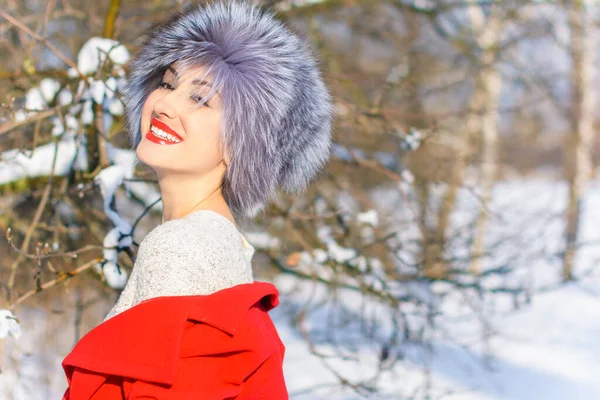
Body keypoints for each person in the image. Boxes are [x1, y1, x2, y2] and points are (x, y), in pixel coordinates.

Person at [60, 0, 333, 398]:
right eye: (168, 83)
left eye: (201, 99)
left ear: (244, 146)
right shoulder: (224, 246)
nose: (165, 103)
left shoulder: (182, 248)